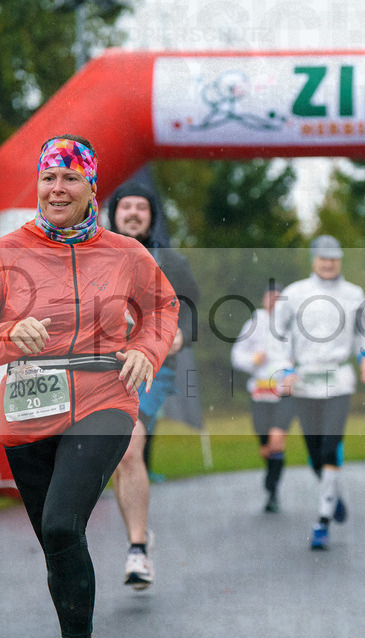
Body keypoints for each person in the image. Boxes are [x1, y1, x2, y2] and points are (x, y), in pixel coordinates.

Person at [0, 135, 178, 638]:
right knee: (57, 539)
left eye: (70, 177)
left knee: (61, 522)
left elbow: (162, 310)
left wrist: (145, 347)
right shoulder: (6, 252)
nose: (57, 188)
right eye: (49, 177)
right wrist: (6, 331)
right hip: (29, 411)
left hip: (103, 398)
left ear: (92, 185)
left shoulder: (126, 254)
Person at [105, 179, 200, 590]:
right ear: (114, 213)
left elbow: (193, 310)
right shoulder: (95, 256)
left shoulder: (171, 261)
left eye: (141, 207)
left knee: (128, 448)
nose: (133, 213)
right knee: (115, 457)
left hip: (150, 366)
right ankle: (138, 535)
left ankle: (138, 550)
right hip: (99, 366)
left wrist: (182, 333)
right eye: (126, 206)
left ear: (151, 216)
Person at [273, 234, 365, 550]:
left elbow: (364, 332)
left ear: (340, 260)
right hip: (305, 379)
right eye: (323, 258)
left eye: (334, 258)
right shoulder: (294, 294)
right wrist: (285, 369)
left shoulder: (354, 294)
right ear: (313, 260)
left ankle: (322, 520)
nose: (328, 263)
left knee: (331, 447)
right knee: (316, 453)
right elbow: (279, 336)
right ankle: (333, 496)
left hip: (339, 379)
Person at [230, 282, 295, 512]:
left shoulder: (291, 325)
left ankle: (272, 490)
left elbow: (302, 355)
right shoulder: (253, 323)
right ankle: (272, 480)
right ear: (263, 299)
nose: (274, 302)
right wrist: (252, 360)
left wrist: (294, 372)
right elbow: (236, 355)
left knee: (277, 441)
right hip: (259, 392)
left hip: (284, 392)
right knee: (266, 447)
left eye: (279, 298)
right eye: (271, 297)